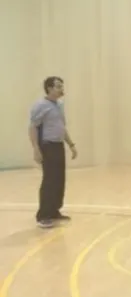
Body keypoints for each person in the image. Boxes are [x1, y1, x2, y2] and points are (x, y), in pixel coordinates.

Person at [29, 76, 78, 229]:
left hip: (58, 145)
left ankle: (54, 211)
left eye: (62, 86)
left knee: (59, 179)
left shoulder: (59, 105)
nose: (61, 89)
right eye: (58, 86)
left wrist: (71, 144)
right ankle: (43, 215)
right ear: (49, 88)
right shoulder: (40, 105)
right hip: (47, 146)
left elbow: (61, 127)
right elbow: (33, 127)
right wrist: (36, 149)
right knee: (49, 180)